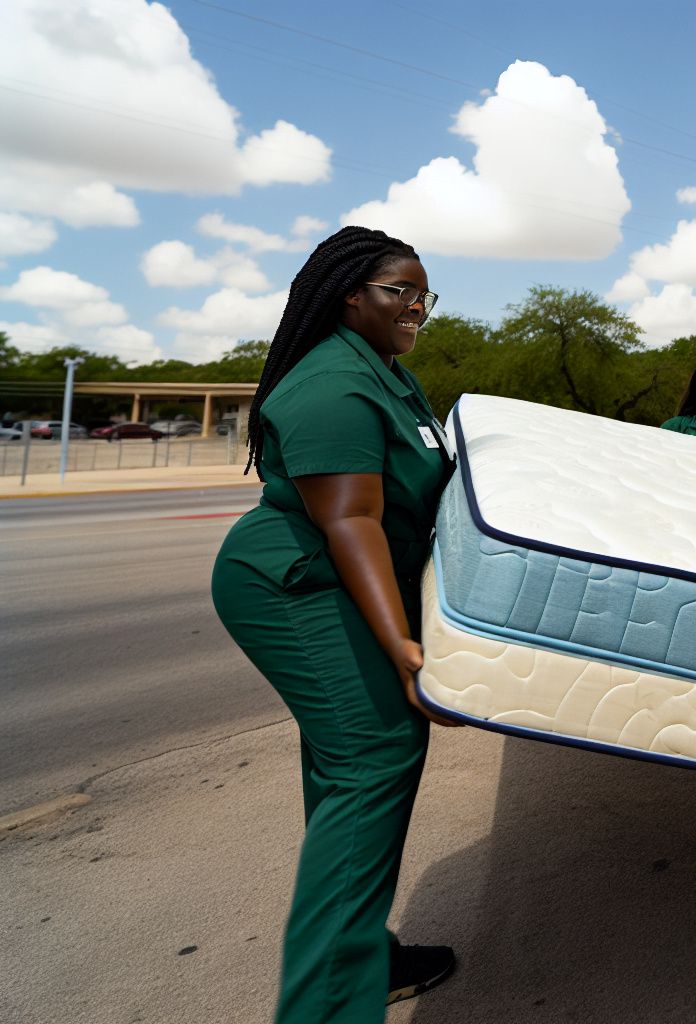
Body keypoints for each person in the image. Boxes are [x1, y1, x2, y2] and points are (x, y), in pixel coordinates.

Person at [212, 226, 461, 1023]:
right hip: (299, 584)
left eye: (424, 294)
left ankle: (364, 955)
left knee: (347, 763)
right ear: (351, 294)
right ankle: (326, 1005)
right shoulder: (330, 385)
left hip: (346, 577)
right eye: (400, 292)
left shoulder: (387, 373)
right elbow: (351, 519)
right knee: (375, 754)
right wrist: (400, 646)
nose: (415, 307)